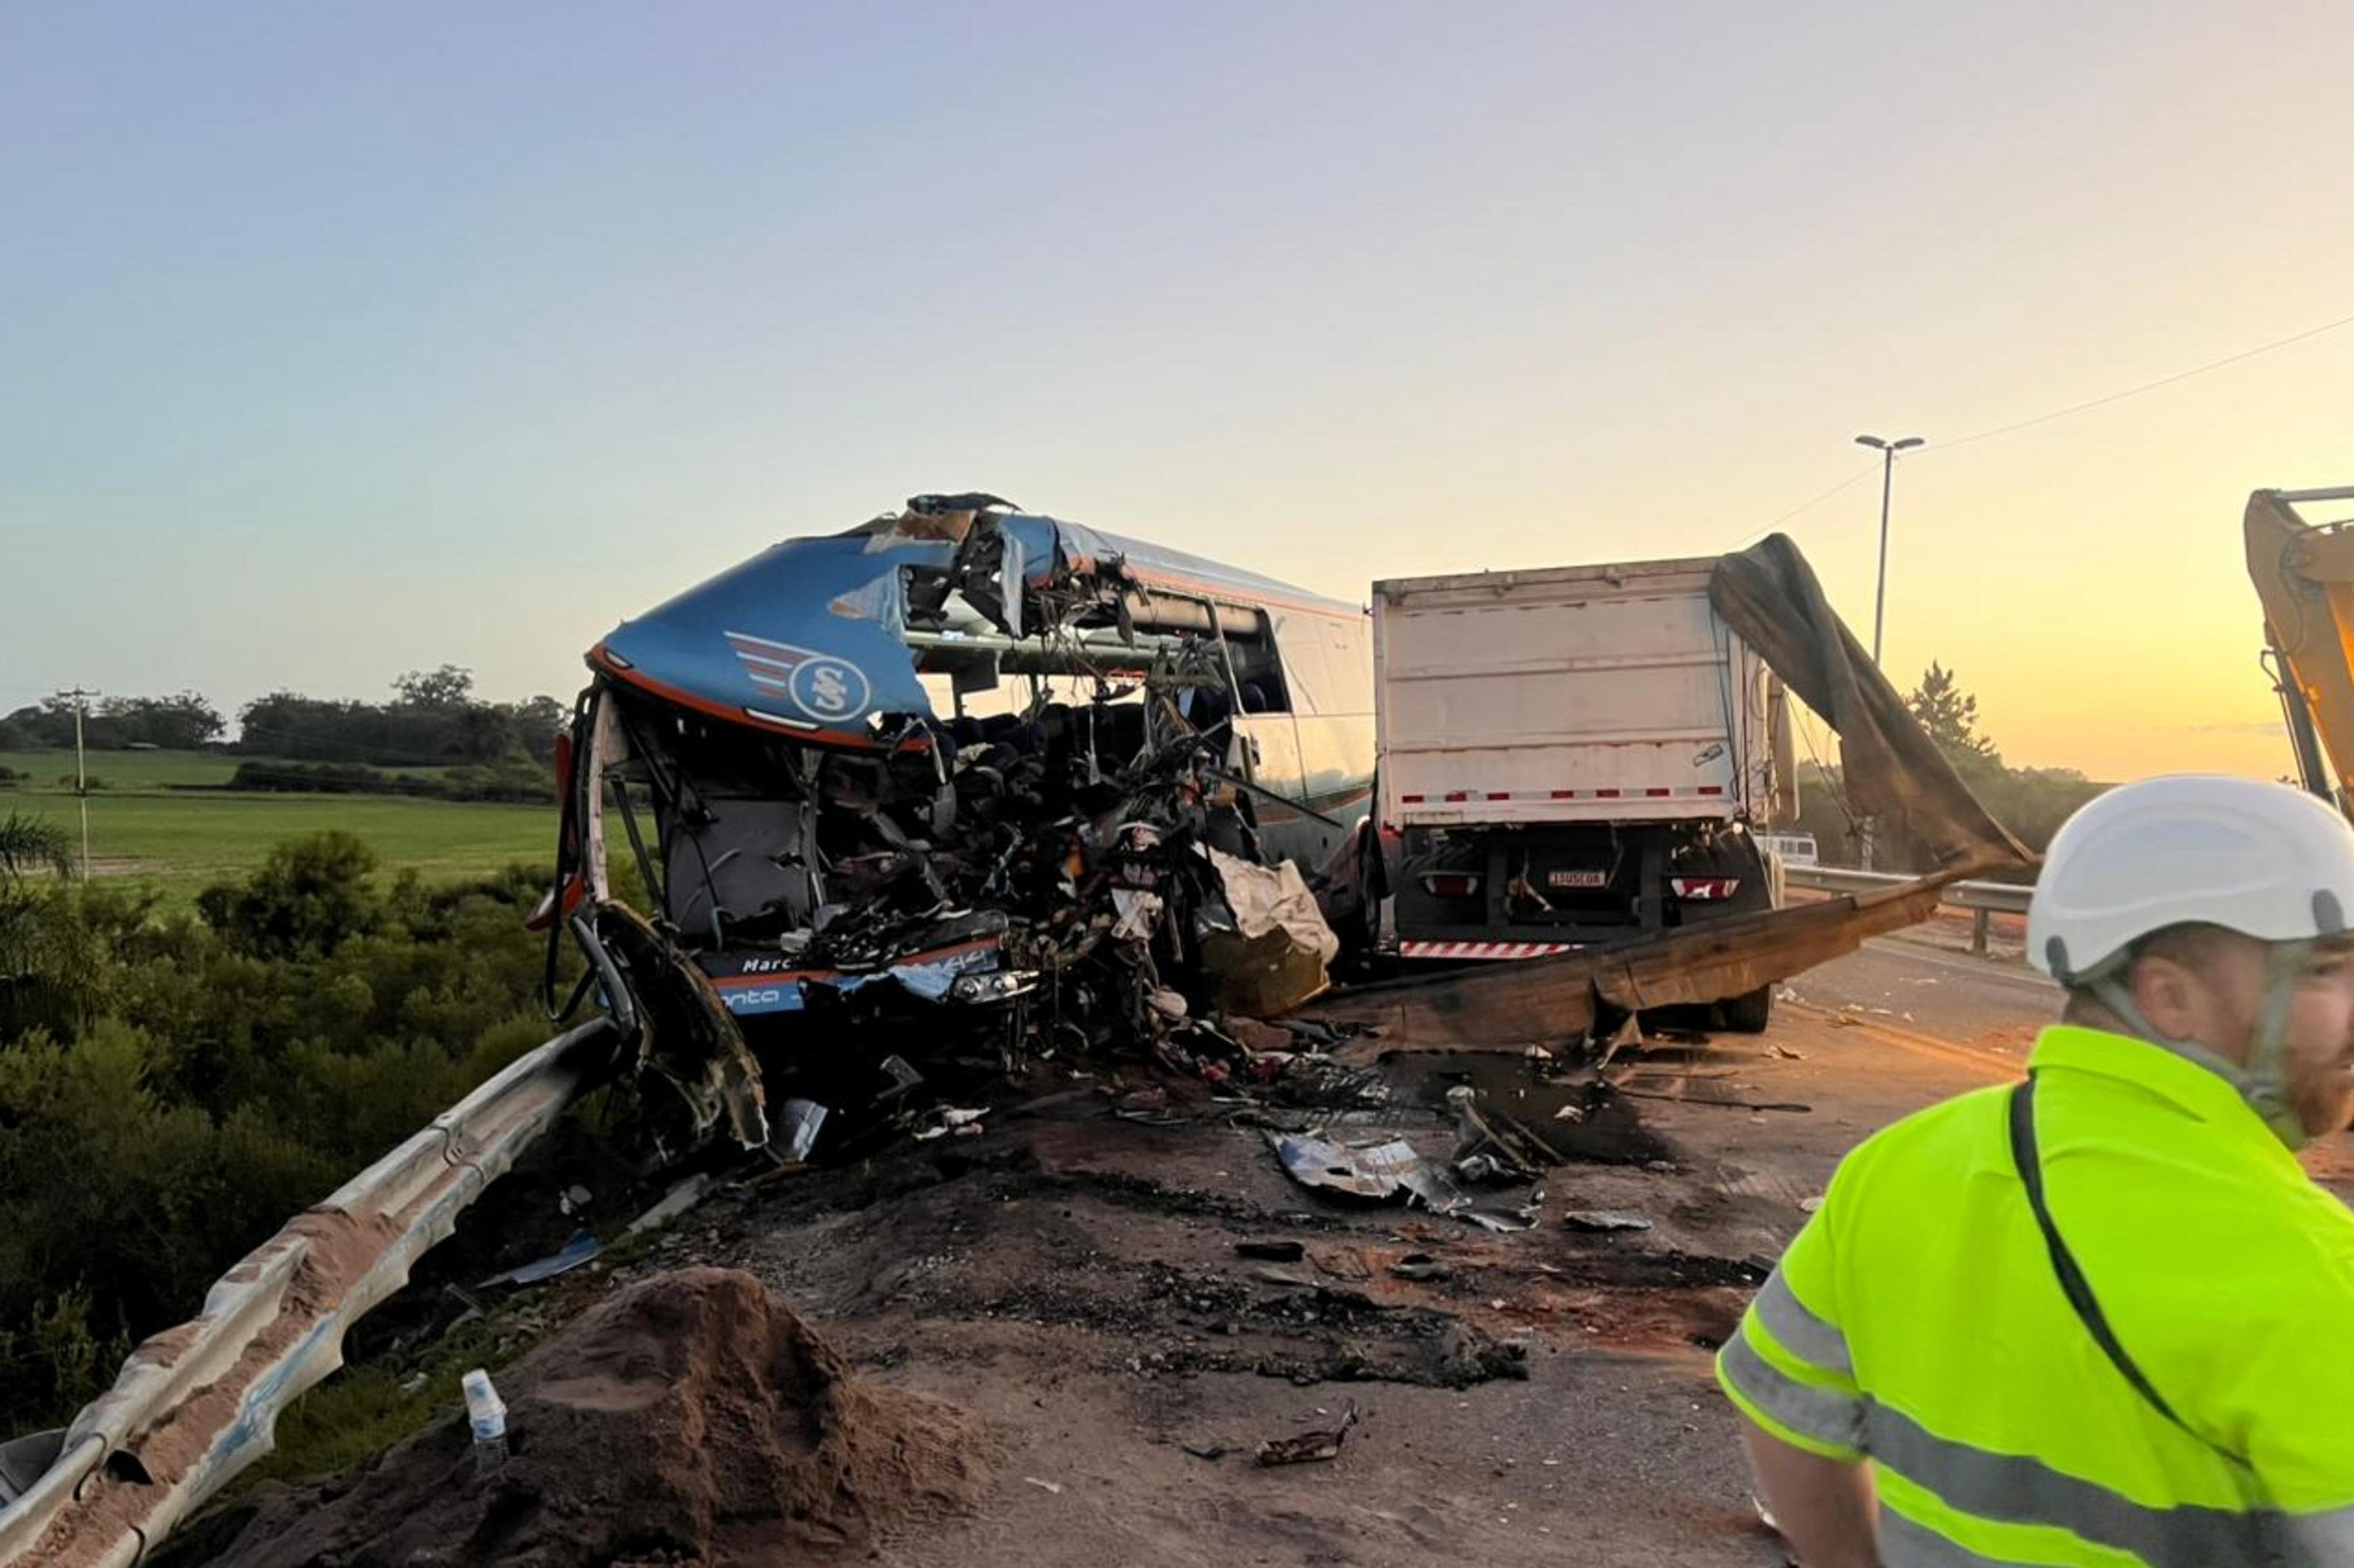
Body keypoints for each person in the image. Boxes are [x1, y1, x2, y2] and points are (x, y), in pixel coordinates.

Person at [1718, 775, 2354, 1567]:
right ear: (2170, 996)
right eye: (2325, 970)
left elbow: (1779, 1407)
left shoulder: (1892, 1169)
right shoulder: (2317, 1271)